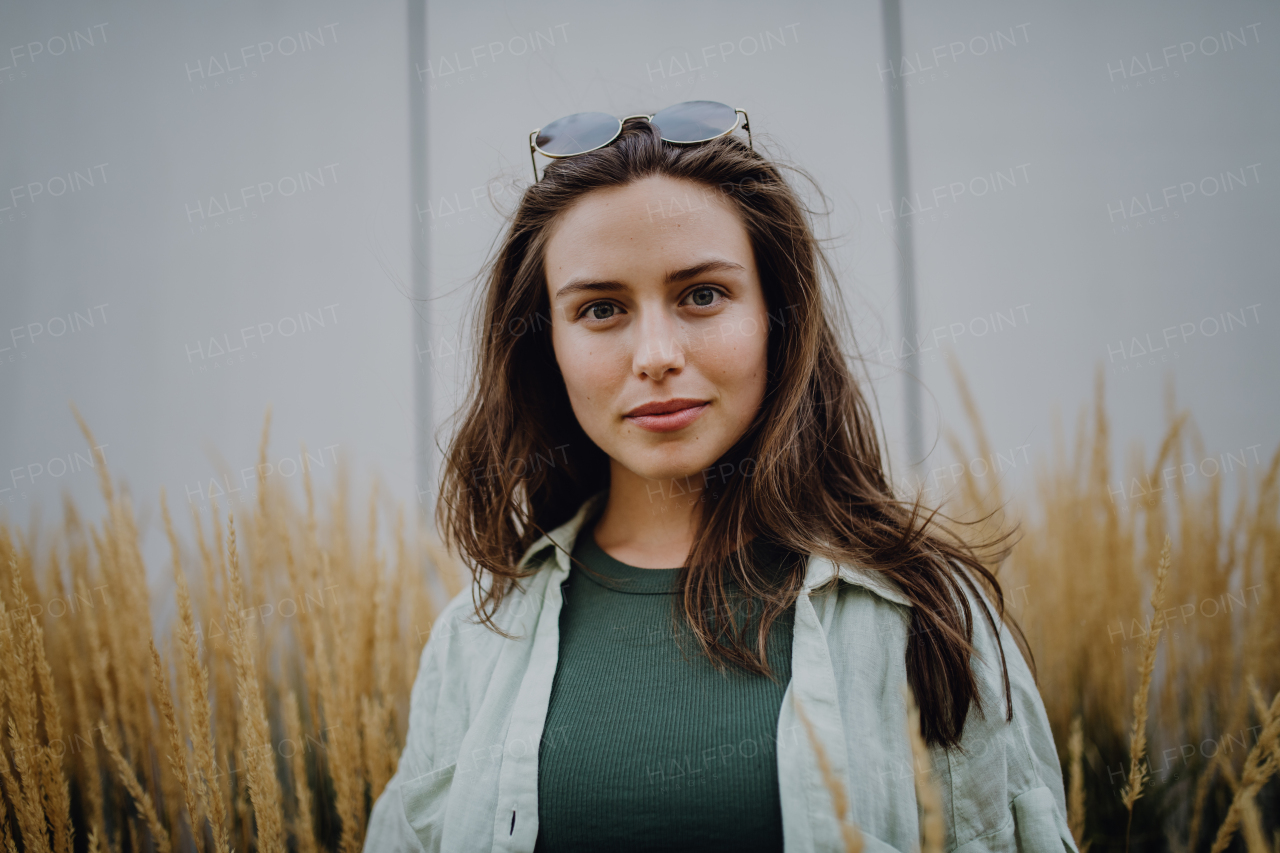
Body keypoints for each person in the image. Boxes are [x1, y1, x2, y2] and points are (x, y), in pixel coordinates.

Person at [364, 101, 1077, 852]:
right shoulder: (477, 637)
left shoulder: (926, 617)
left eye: (702, 294)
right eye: (601, 308)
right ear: (548, 345)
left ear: (778, 313)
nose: (656, 354)